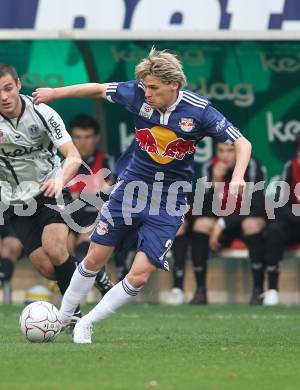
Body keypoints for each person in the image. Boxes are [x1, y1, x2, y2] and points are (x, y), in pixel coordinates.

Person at [33, 47, 251, 344]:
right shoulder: (135, 93)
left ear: (173, 85)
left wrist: (237, 175)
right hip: (132, 187)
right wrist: (56, 94)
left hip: (170, 198)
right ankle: (64, 316)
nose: (146, 93)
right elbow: (97, 89)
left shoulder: (199, 111)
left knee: (139, 275)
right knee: (95, 256)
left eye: (153, 88)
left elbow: (243, 143)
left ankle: (88, 323)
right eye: (145, 86)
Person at [0, 64, 100, 325]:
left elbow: (74, 156)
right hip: (15, 201)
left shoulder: (42, 112)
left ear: (18, 85)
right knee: (48, 268)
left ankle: (74, 319)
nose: (4, 96)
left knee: (56, 249)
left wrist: (58, 181)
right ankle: (90, 272)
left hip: (51, 188)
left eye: (8, 88)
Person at [185, 142, 266, 305]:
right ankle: (200, 290)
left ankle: (258, 291)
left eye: (230, 151)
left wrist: (222, 223)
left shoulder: (251, 166)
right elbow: (201, 210)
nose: (225, 156)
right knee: (201, 224)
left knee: (253, 224)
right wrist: (214, 183)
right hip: (218, 227)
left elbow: (255, 207)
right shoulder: (210, 167)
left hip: (242, 224)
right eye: (221, 150)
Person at [67, 114, 114, 295]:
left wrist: (80, 197)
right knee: (61, 247)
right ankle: (73, 294)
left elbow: (105, 195)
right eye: (77, 137)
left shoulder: (107, 162)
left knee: (84, 243)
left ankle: (101, 283)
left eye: (87, 137)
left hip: (95, 218)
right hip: (68, 218)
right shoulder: (62, 164)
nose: (82, 143)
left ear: (96, 138)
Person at [263, 134, 300, 305]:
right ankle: (272, 290)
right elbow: (280, 205)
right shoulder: (290, 167)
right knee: (274, 230)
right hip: (294, 223)